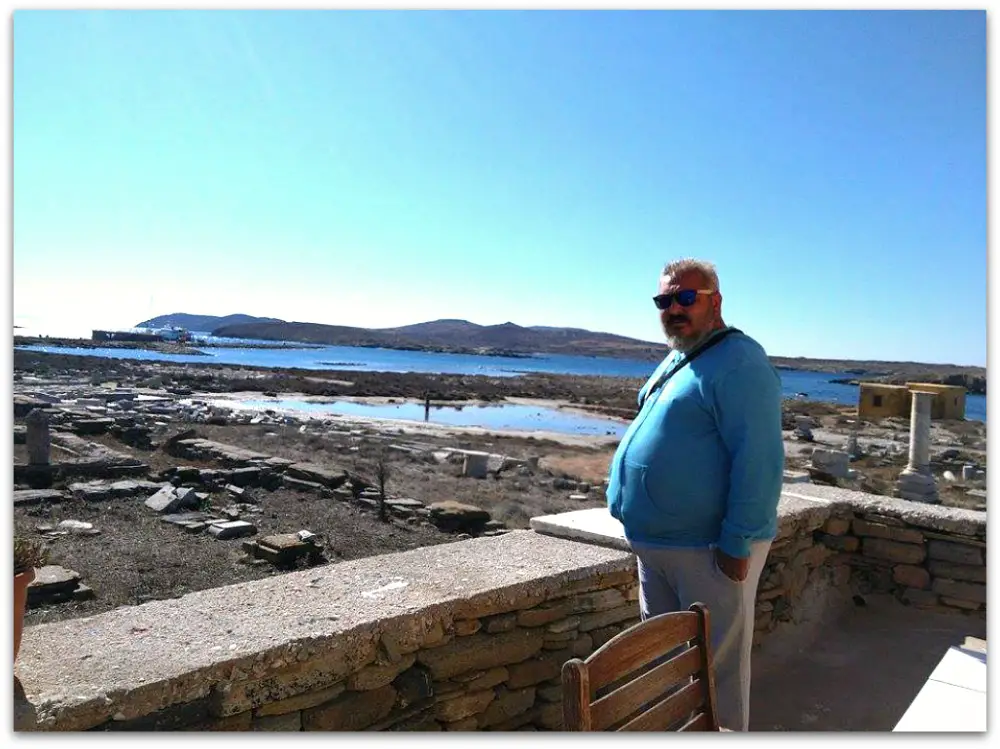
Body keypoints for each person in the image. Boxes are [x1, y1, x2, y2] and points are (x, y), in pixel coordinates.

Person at [605, 257, 784, 731]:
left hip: (709, 549)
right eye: (665, 299)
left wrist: (737, 540)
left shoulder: (740, 362)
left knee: (715, 674)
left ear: (715, 301)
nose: (674, 308)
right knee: (668, 666)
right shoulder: (683, 355)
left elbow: (759, 459)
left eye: (687, 297)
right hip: (658, 545)